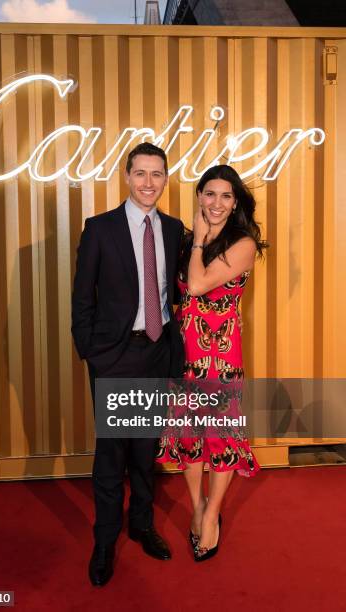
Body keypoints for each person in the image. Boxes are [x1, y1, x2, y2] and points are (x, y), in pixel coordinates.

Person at [72, 143, 184, 586]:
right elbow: (83, 299)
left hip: (157, 352)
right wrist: (92, 351)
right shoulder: (100, 229)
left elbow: (175, 290)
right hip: (115, 357)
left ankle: (141, 525)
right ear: (126, 175)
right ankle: (104, 541)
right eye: (140, 173)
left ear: (165, 178)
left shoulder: (173, 230)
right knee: (111, 454)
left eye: (157, 174)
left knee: (145, 448)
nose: (148, 183)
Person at [156, 164, 267, 562]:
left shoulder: (243, 243)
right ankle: (198, 505)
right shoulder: (187, 241)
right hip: (185, 351)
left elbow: (200, 285)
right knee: (189, 434)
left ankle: (212, 514)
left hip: (221, 353)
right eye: (209, 194)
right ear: (199, 196)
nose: (216, 203)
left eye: (225, 196)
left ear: (235, 202)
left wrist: (200, 242)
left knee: (218, 436)